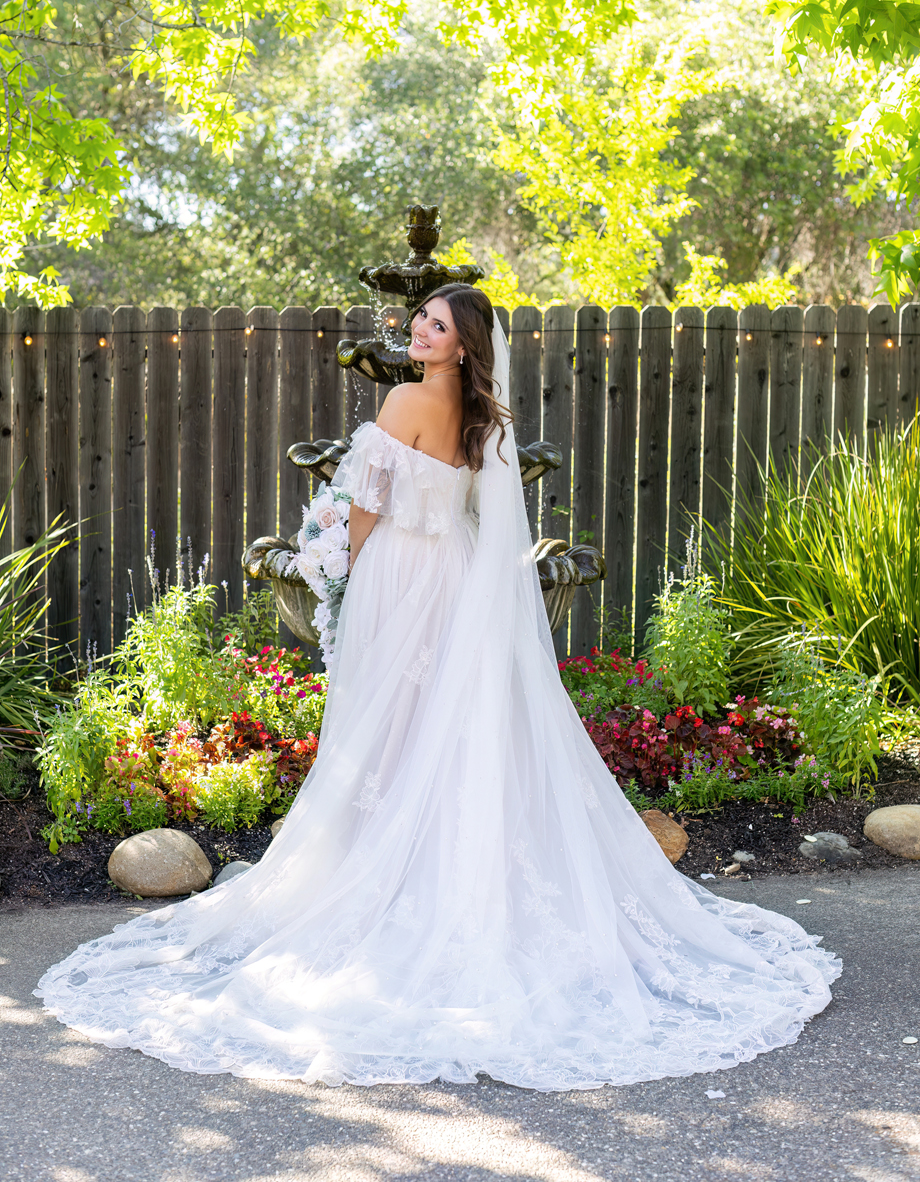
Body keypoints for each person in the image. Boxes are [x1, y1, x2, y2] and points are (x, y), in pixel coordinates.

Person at [36, 284, 840, 1091]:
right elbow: (483, 515)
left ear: (462, 345)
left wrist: (338, 564)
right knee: (445, 723)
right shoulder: (486, 418)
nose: (420, 329)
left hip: (400, 572)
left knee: (390, 723)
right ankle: (439, 864)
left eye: (438, 325)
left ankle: (387, 871)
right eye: (420, 317)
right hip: (454, 570)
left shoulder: (404, 401)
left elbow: (366, 505)